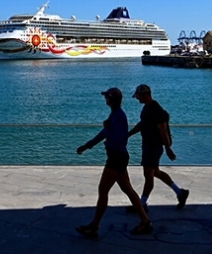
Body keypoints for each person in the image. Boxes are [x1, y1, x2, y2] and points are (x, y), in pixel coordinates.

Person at [75, 87, 153, 238]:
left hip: (116, 158)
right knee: (129, 191)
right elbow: (104, 134)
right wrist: (87, 145)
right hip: (119, 157)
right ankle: (145, 221)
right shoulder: (115, 115)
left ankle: (94, 227)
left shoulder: (119, 117)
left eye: (107, 97)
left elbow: (119, 139)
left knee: (103, 191)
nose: (105, 99)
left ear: (112, 99)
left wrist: (107, 128)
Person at [128, 84, 189, 213]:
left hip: (153, 146)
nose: (137, 98)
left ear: (145, 95)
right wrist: (129, 134)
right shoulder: (147, 108)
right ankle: (180, 192)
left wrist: (168, 148)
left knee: (148, 175)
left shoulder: (155, 109)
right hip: (149, 145)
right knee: (155, 172)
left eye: (138, 96)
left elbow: (163, 131)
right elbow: (142, 124)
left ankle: (142, 204)